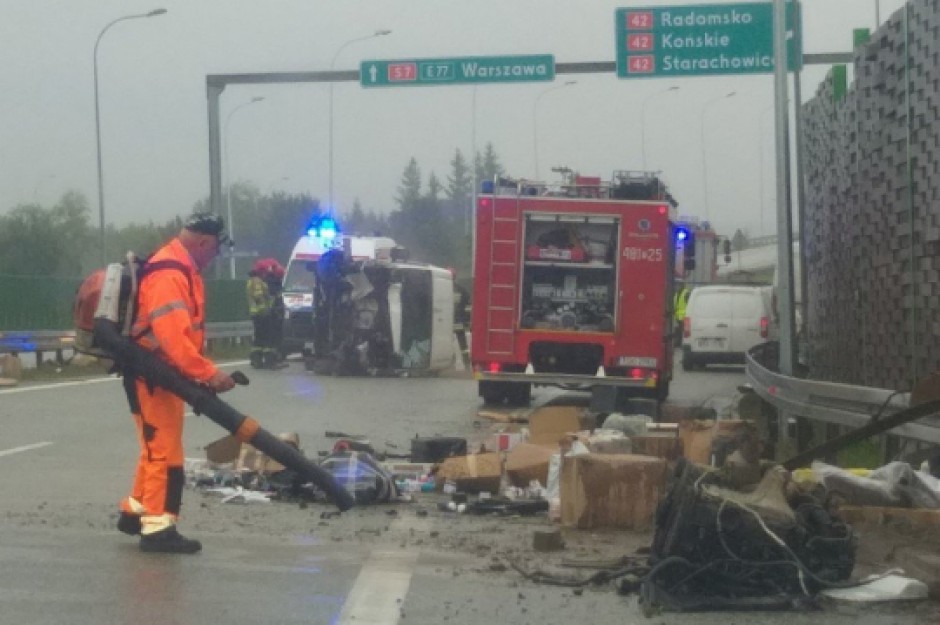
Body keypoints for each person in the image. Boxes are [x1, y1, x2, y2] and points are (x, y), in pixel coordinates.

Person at [117, 213, 235, 554]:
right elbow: (173, 338)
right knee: (163, 452)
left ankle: (134, 512)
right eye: (213, 252)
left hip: (161, 374)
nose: (213, 259)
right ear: (203, 243)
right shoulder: (170, 273)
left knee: (157, 447)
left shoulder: (179, 268)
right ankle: (158, 529)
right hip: (153, 374)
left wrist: (194, 372)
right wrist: (207, 372)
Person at [246, 264, 273, 369]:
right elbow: (259, 296)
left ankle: (256, 359)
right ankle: (266, 360)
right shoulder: (257, 281)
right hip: (261, 313)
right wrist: (265, 308)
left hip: (255, 313)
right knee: (265, 336)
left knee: (258, 337)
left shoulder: (250, 282)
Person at [673, 280, 691, 347]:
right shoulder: (677, 293)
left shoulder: (686, 293)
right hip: (678, 317)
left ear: (682, 285)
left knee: (684, 331)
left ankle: (682, 344)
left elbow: (689, 305)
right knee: (678, 331)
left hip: (685, 316)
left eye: (679, 285)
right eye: (676, 285)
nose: (677, 286)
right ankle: (678, 343)